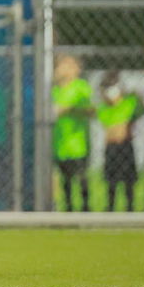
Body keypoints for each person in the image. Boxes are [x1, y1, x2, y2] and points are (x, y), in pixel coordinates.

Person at [51, 54, 94, 212]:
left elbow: (90, 110)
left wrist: (70, 109)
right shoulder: (54, 90)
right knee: (65, 180)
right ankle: (67, 209)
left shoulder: (81, 87)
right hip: (59, 143)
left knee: (82, 178)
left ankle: (85, 209)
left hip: (78, 143)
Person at [96, 71, 142, 212]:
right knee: (111, 182)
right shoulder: (103, 108)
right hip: (111, 147)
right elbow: (109, 127)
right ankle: (110, 207)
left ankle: (130, 208)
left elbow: (140, 109)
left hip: (125, 146)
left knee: (129, 182)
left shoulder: (130, 102)